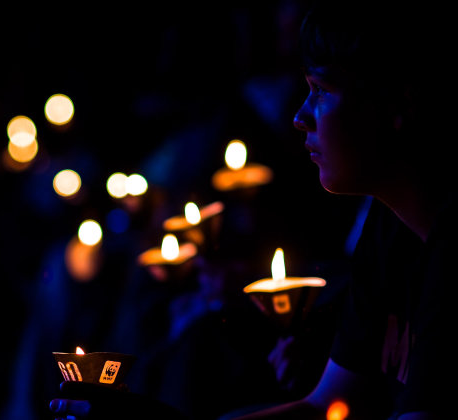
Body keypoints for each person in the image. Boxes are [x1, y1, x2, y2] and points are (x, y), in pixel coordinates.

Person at [50, 0, 458, 418]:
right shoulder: (389, 227)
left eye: (320, 91)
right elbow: (324, 405)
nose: (301, 117)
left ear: (399, 104)